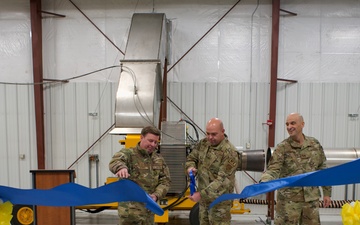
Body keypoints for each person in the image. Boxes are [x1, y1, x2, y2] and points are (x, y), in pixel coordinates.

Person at [260, 112, 332, 225]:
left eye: (292, 123)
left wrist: (327, 193)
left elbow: (322, 168)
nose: (289, 127)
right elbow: (273, 169)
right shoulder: (282, 148)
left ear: (302, 124)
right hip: (288, 204)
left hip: (310, 203)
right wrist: (264, 182)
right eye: (287, 124)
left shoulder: (314, 144)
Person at [109, 126, 171, 225]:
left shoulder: (158, 159)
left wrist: (156, 195)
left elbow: (165, 181)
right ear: (141, 137)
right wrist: (121, 168)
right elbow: (116, 161)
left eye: (156, 142)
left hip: (148, 213)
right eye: (150, 141)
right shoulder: (129, 154)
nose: (153, 144)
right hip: (129, 213)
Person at [185, 118, 239, 225]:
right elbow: (192, 158)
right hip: (204, 202)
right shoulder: (204, 144)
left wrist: (201, 194)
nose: (210, 137)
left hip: (220, 204)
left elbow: (222, 181)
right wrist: (190, 167)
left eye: (214, 134)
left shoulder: (230, 152)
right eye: (207, 133)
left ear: (223, 132)